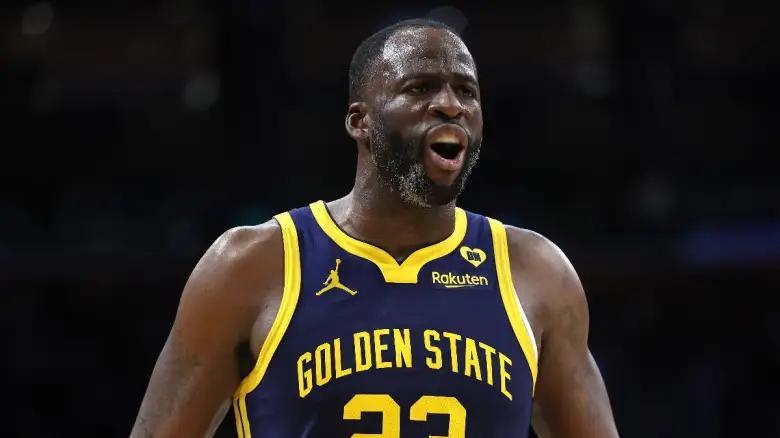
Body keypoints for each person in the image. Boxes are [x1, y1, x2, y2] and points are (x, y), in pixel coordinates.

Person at [132, 18, 619, 437]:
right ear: (359, 121)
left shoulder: (535, 272)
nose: (450, 105)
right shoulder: (251, 265)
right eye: (420, 88)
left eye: (467, 91)